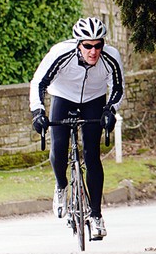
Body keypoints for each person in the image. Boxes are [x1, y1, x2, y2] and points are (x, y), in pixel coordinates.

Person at [29, 17, 124, 240]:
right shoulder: (60, 53)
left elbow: (118, 88)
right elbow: (39, 83)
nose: (93, 51)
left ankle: (97, 216)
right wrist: (38, 112)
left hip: (94, 99)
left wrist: (110, 110)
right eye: (88, 46)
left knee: (92, 155)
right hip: (63, 96)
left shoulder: (110, 57)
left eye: (98, 45)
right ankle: (61, 186)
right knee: (60, 146)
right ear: (78, 43)